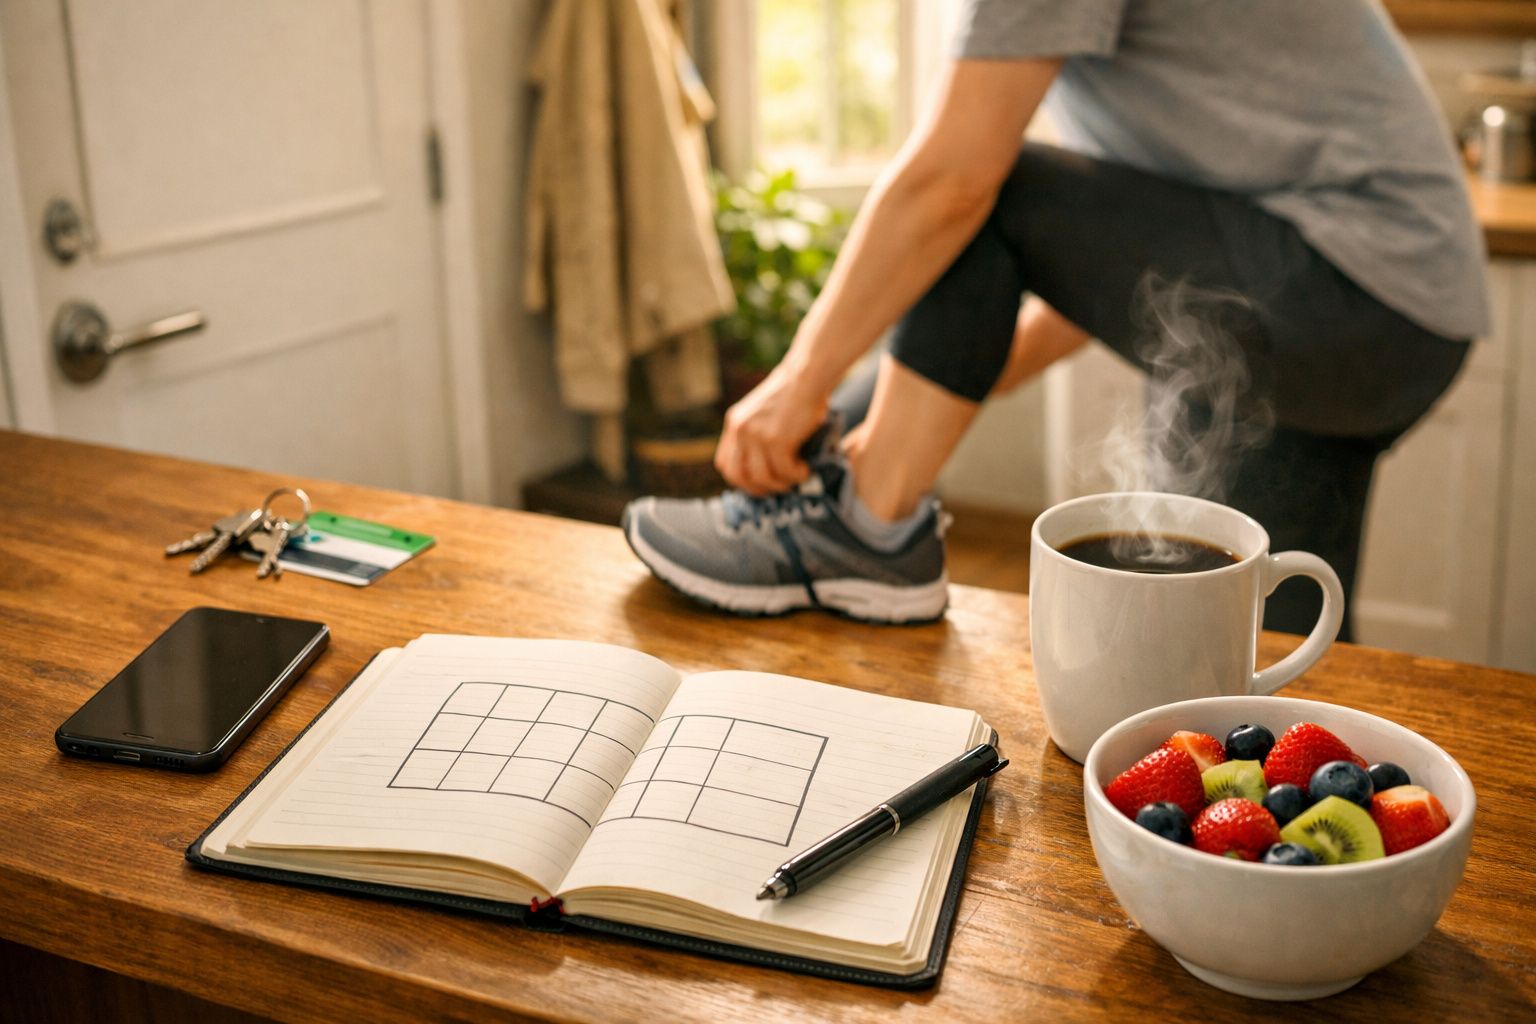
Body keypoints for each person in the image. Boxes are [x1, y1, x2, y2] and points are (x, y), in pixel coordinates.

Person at [622, 0, 1486, 638]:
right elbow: (1135, 239)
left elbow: (958, 184)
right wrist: (914, 385)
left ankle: (868, 531)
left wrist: (799, 382)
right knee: (1256, 643)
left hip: (1348, 286)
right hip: (1388, 314)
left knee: (996, 186)